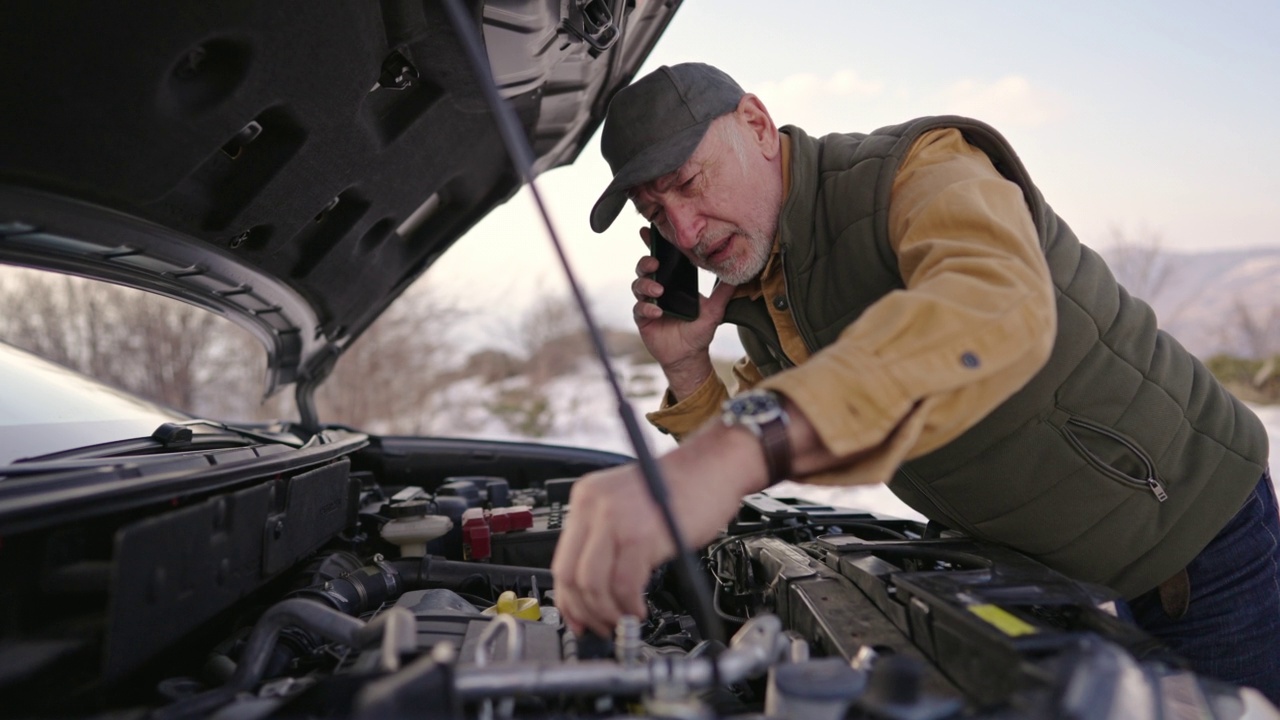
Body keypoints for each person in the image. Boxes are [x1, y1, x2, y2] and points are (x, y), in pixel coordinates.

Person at [548, 62, 1280, 698]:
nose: (683, 232)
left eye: (687, 183)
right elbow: (737, 473)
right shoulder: (761, 288)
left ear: (757, 124)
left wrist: (740, 443)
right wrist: (685, 365)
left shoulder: (921, 167)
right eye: (656, 212)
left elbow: (990, 304)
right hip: (1034, 577)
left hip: (1191, 541)